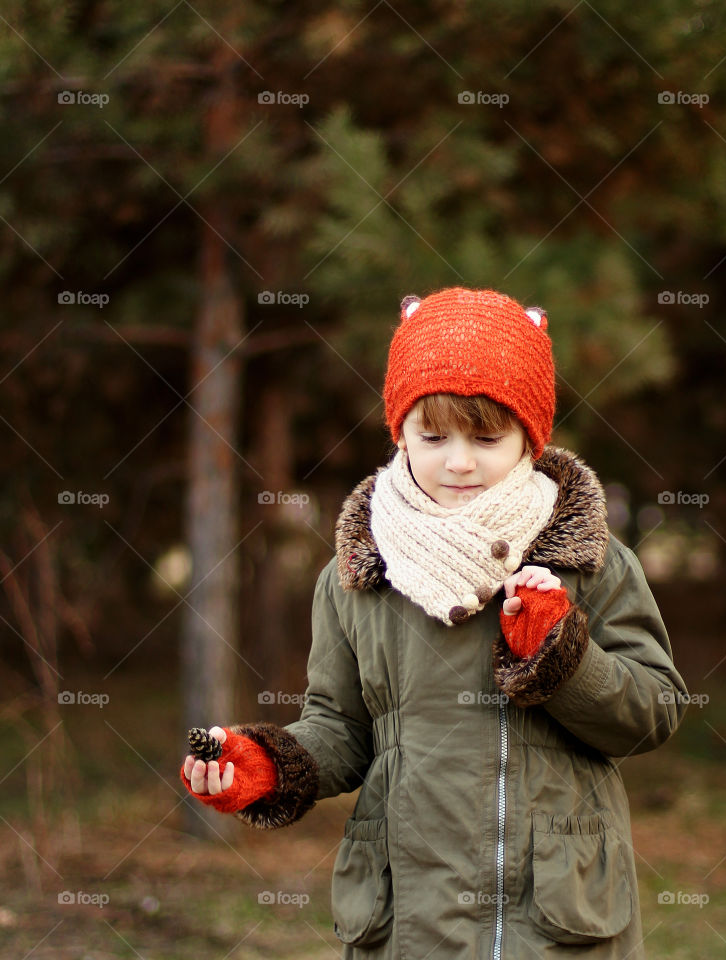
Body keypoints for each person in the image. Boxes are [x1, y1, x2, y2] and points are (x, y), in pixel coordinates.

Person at [181, 287, 689, 959]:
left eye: (486, 437)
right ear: (400, 432)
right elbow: (340, 728)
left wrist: (564, 656)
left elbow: (653, 710)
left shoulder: (586, 561)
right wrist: (272, 765)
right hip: (411, 919)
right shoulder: (356, 577)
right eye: (433, 436)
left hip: (557, 918)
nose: (458, 461)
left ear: (530, 439)